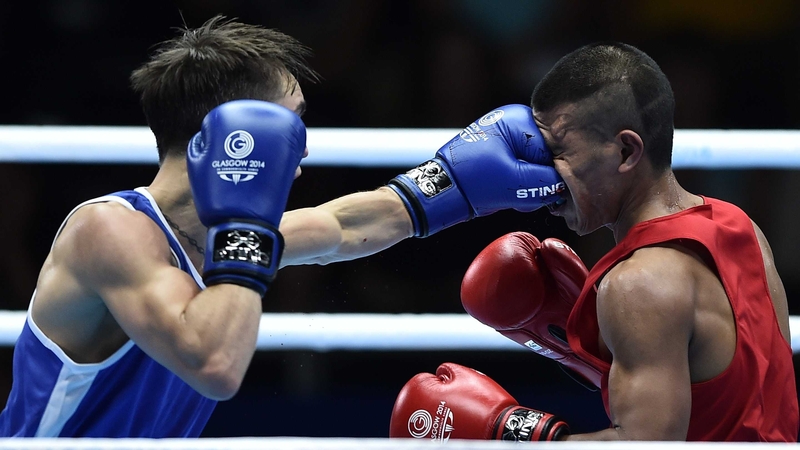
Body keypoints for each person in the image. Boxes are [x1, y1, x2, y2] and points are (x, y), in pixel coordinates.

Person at [0, 16, 563, 437]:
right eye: (290, 123)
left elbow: (344, 225)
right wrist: (246, 217)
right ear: (233, 137)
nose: (304, 148)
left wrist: (455, 182)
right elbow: (213, 362)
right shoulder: (107, 232)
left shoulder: (222, 240)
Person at [389, 42, 799, 442]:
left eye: (558, 153)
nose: (539, 175)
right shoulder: (737, 224)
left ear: (624, 151)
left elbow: (644, 443)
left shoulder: (637, 284)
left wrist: (512, 433)